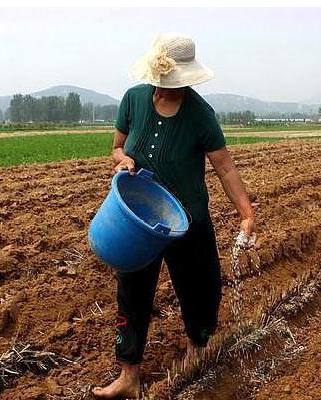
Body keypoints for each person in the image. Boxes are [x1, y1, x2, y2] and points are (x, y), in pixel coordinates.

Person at [92, 33, 256, 399]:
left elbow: (225, 167)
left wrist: (247, 213)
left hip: (188, 220)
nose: (165, 89)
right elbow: (116, 147)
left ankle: (197, 352)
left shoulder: (200, 115)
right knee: (132, 293)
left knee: (200, 289)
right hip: (139, 218)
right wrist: (124, 161)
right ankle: (128, 376)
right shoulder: (133, 99)